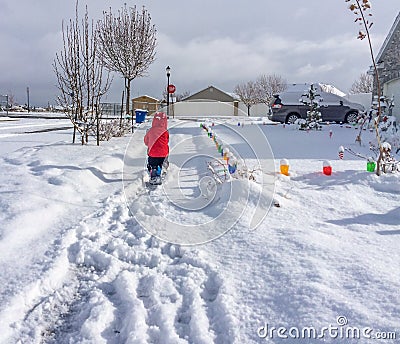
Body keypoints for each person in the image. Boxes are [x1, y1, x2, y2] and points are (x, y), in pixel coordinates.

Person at [144, 112, 169, 184]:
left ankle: (153, 170)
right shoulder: (165, 131)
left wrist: (150, 143)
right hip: (163, 153)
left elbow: (146, 141)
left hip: (152, 153)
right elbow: (166, 141)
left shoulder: (150, 130)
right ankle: (159, 170)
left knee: (152, 163)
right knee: (161, 162)